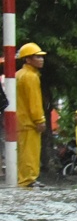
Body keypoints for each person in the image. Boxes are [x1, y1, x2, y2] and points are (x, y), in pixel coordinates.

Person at [13, 41, 46, 187]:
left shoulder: (18, 75)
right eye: (37, 57)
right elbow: (34, 101)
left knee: (23, 153)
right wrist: (39, 120)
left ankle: (25, 179)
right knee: (30, 153)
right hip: (29, 122)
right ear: (28, 59)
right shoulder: (31, 77)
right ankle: (28, 180)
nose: (41, 59)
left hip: (19, 120)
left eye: (41, 56)